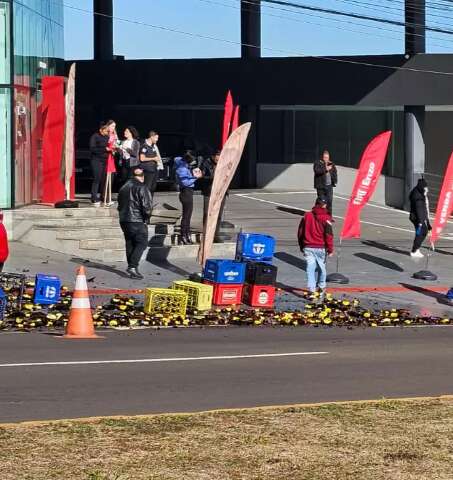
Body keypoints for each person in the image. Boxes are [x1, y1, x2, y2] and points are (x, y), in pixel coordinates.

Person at [117, 167, 153, 279]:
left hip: (124, 220)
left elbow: (119, 205)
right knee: (142, 243)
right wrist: (146, 219)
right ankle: (132, 266)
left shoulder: (123, 188)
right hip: (137, 220)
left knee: (130, 242)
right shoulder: (142, 187)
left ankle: (132, 267)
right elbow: (147, 207)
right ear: (142, 177)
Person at [297, 196, 334, 297]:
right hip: (321, 247)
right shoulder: (326, 218)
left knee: (310, 268)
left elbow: (300, 232)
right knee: (322, 267)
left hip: (308, 247)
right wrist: (330, 249)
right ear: (325, 205)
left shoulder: (306, 216)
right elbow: (329, 235)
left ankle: (311, 289)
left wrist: (301, 246)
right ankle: (322, 286)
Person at [175, 151, 203, 245]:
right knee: (186, 216)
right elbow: (185, 182)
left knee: (188, 215)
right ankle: (184, 235)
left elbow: (177, 158)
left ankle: (186, 234)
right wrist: (195, 177)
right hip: (186, 191)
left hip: (187, 192)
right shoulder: (182, 169)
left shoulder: (180, 162)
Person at [199, 150, 225, 242]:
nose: (219, 158)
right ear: (213, 156)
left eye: (220, 156)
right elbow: (202, 177)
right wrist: (213, 177)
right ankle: (206, 234)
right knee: (207, 213)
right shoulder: (206, 163)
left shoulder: (224, 162)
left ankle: (216, 235)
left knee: (218, 215)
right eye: (218, 156)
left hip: (221, 191)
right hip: (209, 191)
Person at [409, 178, 432, 258]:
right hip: (417, 219)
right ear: (422, 187)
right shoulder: (418, 197)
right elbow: (420, 210)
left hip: (419, 218)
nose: (427, 189)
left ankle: (416, 249)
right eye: (426, 187)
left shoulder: (419, 193)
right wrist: (421, 222)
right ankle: (414, 250)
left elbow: (424, 210)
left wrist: (427, 223)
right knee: (421, 232)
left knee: (422, 232)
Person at [89, 122, 109, 207]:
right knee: (97, 178)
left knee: (104, 179)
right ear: (101, 130)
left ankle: (103, 197)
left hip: (105, 160)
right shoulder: (95, 136)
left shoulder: (107, 137)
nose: (106, 133)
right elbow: (92, 148)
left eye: (107, 131)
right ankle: (94, 197)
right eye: (105, 131)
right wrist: (105, 149)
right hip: (96, 160)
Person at [314, 150, 337, 215]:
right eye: (325, 158)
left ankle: (329, 217)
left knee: (329, 201)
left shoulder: (331, 163)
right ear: (322, 157)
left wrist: (335, 180)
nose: (326, 159)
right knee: (321, 202)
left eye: (327, 158)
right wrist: (326, 169)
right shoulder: (318, 163)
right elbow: (317, 171)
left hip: (329, 186)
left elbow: (334, 172)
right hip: (320, 186)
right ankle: (317, 213)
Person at [139, 130, 161, 199]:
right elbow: (142, 158)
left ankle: (150, 202)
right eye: (156, 138)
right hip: (148, 170)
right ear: (152, 137)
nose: (157, 140)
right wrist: (153, 158)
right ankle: (145, 203)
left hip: (154, 169)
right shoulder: (144, 146)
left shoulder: (152, 146)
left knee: (152, 187)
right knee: (147, 187)